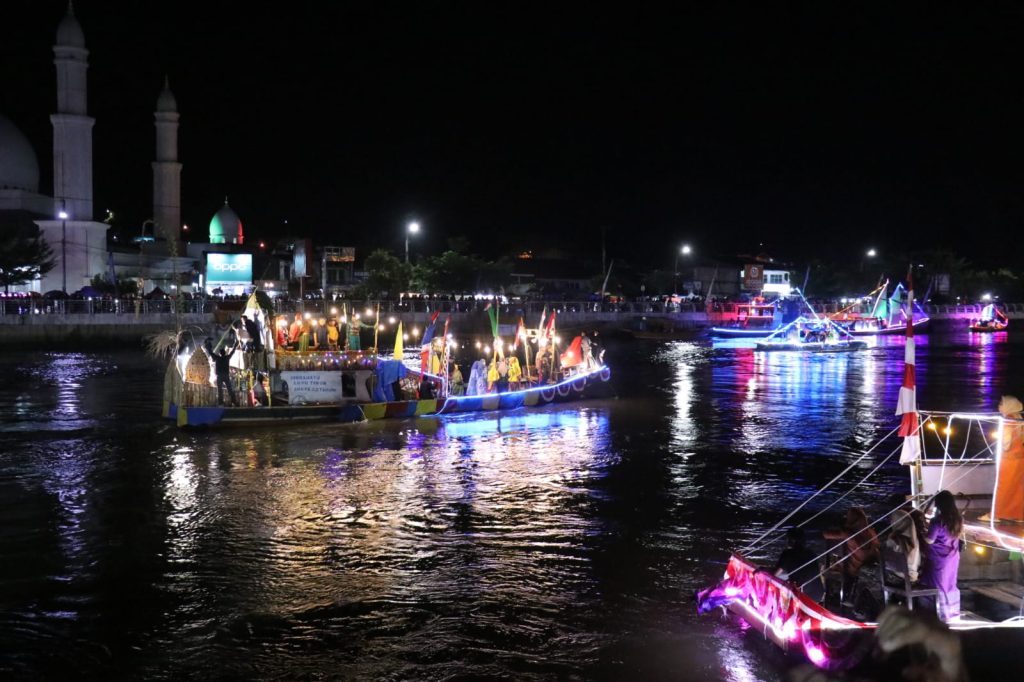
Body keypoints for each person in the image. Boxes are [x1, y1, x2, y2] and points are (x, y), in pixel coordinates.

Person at [920, 490, 963, 622]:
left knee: (937, 585)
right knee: (950, 584)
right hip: (952, 557)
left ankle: (938, 614)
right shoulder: (958, 519)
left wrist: (921, 534)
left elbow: (930, 540)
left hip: (938, 559)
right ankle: (952, 613)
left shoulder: (937, 521)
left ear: (939, 504)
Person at [823, 507, 880, 604]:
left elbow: (826, 534)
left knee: (827, 566)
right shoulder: (871, 531)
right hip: (869, 566)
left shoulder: (848, 533)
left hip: (854, 568)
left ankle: (830, 597)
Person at [993, 395, 1024, 522]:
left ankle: (997, 514)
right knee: (1018, 488)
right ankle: (1018, 515)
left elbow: (1006, 443)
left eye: (1001, 404)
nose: (999, 406)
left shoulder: (1008, 420)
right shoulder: (1020, 419)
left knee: (1003, 487)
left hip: (1008, 460)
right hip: (1020, 458)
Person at [773, 527, 824, 602]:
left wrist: (763, 570)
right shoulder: (811, 553)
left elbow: (774, 574)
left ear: (791, 540)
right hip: (818, 594)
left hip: (803, 595)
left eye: (787, 539)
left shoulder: (787, 553)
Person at [884, 495, 922, 585]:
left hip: (900, 578)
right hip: (914, 576)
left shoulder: (896, 539)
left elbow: (889, 561)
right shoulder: (913, 538)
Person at [213, 342, 237, 407]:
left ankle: (221, 403)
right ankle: (234, 402)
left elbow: (211, 353)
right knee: (230, 389)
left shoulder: (217, 358)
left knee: (220, 390)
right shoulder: (227, 358)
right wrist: (235, 346)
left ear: (220, 353)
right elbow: (232, 352)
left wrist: (208, 347)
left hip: (219, 376)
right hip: (226, 376)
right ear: (224, 353)